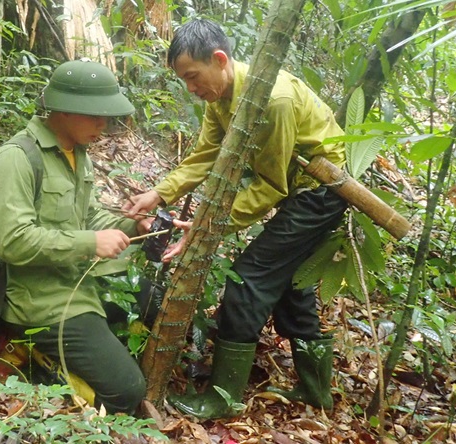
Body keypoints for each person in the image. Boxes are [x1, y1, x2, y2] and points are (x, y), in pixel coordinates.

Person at [124, 19, 347, 419]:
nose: (191, 89)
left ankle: (222, 399)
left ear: (221, 60)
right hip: (299, 191)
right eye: (184, 81)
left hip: (319, 195)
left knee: (249, 280)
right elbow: (210, 152)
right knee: (292, 287)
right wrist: (160, 192)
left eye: (194, 77)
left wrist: (209, 227)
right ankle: (316, 394)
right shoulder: (221, 97)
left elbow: (270, 186)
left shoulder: (271, 100)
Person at [0, 59, 151, 414]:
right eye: (95, 115)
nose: (103, 125)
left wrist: (134, 226)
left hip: (77, 282)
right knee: (128, 391)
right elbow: (12, 241)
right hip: (38, 302)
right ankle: (34, 360)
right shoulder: (14, 160)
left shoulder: (77, 154)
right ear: (64, 110)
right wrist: (91, 243)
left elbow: (87, 216)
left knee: (152, 298)